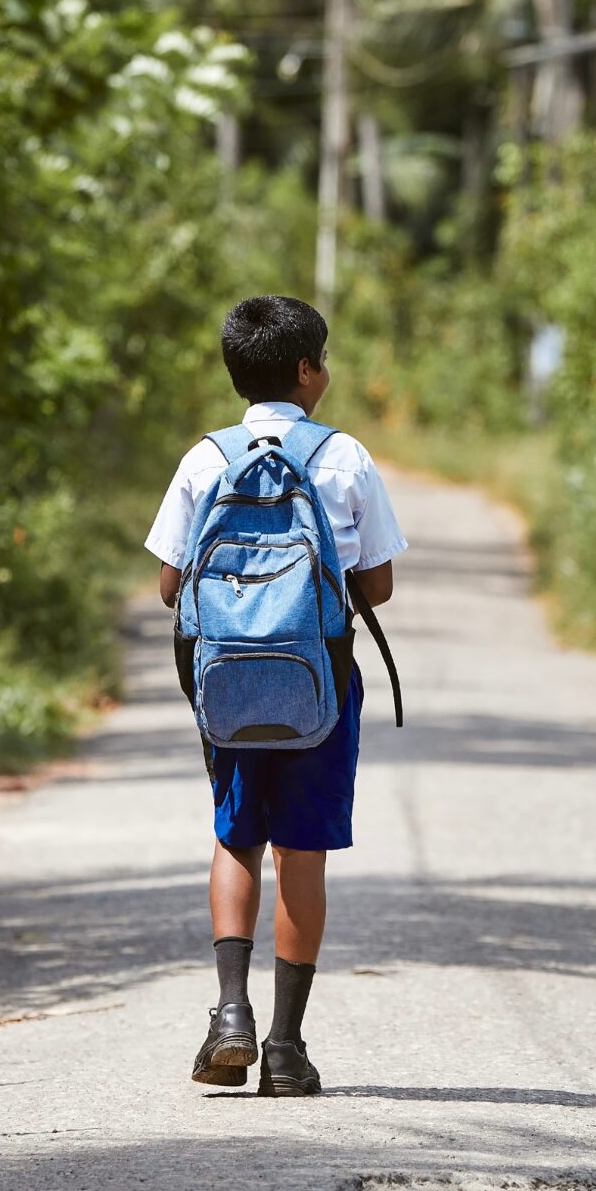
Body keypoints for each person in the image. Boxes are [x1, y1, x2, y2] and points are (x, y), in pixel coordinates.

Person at [145, 296, 406, 1096]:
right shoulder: (345, 457)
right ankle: (287, 1051)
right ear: (303, 371)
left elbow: (167, 586)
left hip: (226, 686)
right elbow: (380, 587)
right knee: (303, 849)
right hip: (318, 684)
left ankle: (231, 1016)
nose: (326, 372)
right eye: (322, 359)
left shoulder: (204, 459)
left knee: (236, 840)